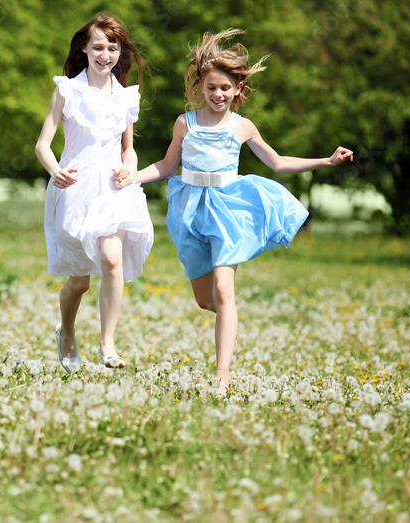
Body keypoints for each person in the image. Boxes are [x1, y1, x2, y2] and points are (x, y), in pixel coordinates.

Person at [115, 29, 352, 395]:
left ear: (238, 89)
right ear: (201, 86)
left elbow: (277, 162)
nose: (218, 94)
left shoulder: (242, 127)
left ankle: (221, 378)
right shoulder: (185, 124)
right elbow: (166, 166)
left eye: (225, 88)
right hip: (190, 210)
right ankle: (230, 319)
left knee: (225, 291)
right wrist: (133, 176)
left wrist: (327, 160)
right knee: (205, 299)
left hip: (229, 209)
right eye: (211, 88)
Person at [35, 14, 154, 373]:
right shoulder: (68, 90)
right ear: (84, 50)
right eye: (98, 47)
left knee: (113, 259)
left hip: (115, 187)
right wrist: (55, 171)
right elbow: (42, 145)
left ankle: (108, 344)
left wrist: (128, 168)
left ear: (121, 52)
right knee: (80, 281)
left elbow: (128, 148)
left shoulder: (126, 97)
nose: (105, 54)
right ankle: (67, 332)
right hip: (75, 186)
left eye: (112, 48)